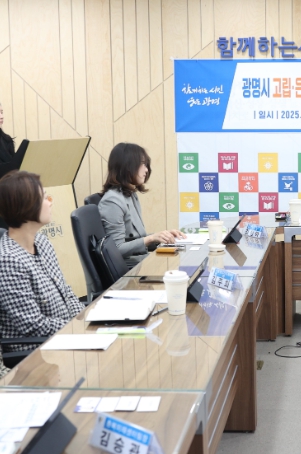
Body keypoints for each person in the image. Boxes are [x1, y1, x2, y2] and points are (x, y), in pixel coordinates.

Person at [0, 171, 84, 353]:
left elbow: (66, 292)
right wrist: (78, 330)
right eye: (45, 198)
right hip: (36, 352)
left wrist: (84, 320)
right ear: (27, 205)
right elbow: (33, 326)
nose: (50, 202)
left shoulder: (42, 241)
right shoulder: (8, 261)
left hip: (66, 337)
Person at [99, 143, 184, 268]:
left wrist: (161, 237)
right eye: (142, 164)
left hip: (140, 262)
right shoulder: (112, 201)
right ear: (128, 166)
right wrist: (151, 238)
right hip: (130, 270)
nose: (146, 170)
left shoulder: (130, 194)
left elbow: (136, 239)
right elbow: (116, 250)